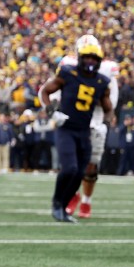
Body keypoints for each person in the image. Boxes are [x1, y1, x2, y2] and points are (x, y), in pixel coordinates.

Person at [39, 37, 113, 223]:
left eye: (94, 59)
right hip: (67, 129)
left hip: (85, 130)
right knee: (70, 168)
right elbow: (44, 91)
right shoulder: (67, 73)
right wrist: (52, 112)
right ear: (80, 57)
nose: (90, 62)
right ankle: (57, 203)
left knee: (80, 173)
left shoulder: (101, 82)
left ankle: (63, 207)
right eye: (87, 57)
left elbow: (108, 107)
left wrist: (106, 121)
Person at [60, 35, 119, 218]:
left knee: (91, 166)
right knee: (71, 164)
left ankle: (86, 200)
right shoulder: (68, 68)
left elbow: (112, 100)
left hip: (95, 121)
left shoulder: (106, 72)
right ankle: (72, 195)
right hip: (73, 120)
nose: (89, 60)